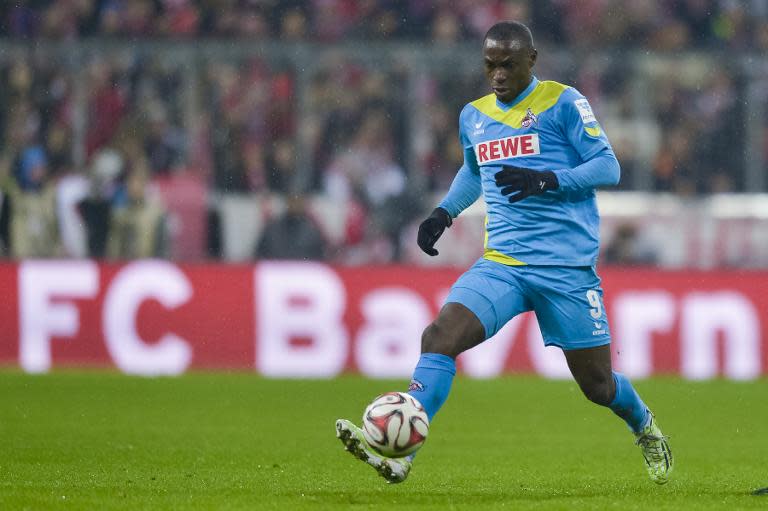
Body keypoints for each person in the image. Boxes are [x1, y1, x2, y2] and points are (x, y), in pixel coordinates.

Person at [335, 21, 673, 485]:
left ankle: (645, 426)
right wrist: (443, 212)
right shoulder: (473, 115)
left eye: (508, 64)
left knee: (598, 386)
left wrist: (547, 179)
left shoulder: (563, 102)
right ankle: (402, 455)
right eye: (490, 64)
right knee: (438, 337)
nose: (497, 74)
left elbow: (608, 166)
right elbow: (474, 172)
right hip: (504, 265)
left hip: (565, 270)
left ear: (531, 60)